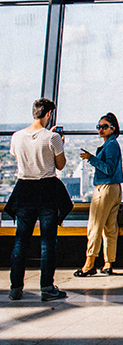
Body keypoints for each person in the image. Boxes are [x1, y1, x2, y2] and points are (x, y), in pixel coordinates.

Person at [6, 98, 71, 301]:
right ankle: (47, 287)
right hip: (47, 191)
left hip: (24, 189)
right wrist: (59, 142)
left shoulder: (17, 137)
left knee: (20, 241)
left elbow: (19, 160)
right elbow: (60, 165)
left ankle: (15, 288)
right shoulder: (52, 138)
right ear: (49, 114)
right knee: (47, 242)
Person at [75, 113, 123, 277]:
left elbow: (108, 168)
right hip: (115, 189)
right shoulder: (112, 145)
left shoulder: (110, 146)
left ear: (113, 128)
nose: (100, 130)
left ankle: (89, 264)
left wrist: (91, 158)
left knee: (95, 226)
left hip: (105, 189)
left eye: (104, 127)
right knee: (110, 227)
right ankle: (108, 263)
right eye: (99, 127)